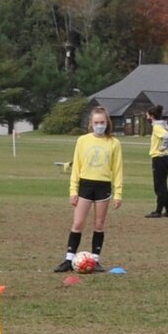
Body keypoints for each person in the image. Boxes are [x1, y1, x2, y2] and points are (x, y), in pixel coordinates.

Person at [56, 104, 123, 272]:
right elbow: (76, 167)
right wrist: (73, 190)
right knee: (78, 223)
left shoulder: (114, 143)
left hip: (103, 187)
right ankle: (69, 259)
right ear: (91, 123)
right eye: (96, 122)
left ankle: (95, 259)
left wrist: (118, 193)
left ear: (107, 122)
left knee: (99, 224)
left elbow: (117, 169)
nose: (99, 125)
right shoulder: (82, 140)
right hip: (85, 185)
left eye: (102, 122)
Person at [145, 111, 168, 218]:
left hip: (159, 159)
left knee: (159, 186)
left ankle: (158, 211)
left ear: (152, 116)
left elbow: (167, 136)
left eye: (147, 115)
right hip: (166, 159)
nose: (147, 118)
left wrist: (163, 147)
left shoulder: (157, 127)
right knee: (163, 185)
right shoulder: (164, 125)